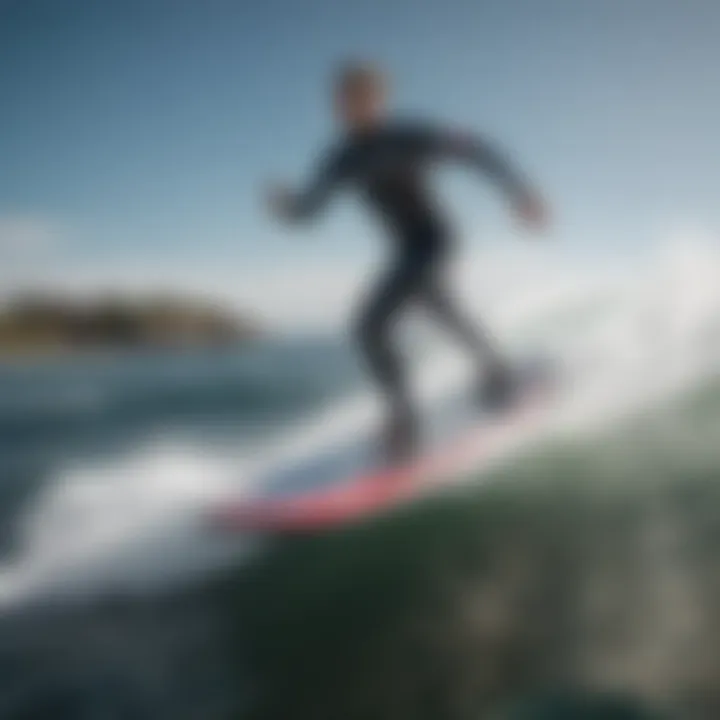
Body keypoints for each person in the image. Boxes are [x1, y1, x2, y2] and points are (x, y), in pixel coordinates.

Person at [267, 62, 549, 462]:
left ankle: (407, 422)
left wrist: (520, 192)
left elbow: (478, 149)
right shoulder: (340, 158)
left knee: (370, 325)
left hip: (435, 241)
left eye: (361, 97)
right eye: (343, 98)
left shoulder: (409, 136)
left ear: (380, 100)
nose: (349, 105)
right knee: (440, 311)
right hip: (404, 249)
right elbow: (309, 212)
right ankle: (498, 372)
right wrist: (285, 207)